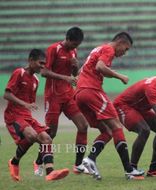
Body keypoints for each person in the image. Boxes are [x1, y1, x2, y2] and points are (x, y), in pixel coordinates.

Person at [74, 31, 144, 180]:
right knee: (117, 125)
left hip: (80, 94)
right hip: (91, 90)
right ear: (121, 42)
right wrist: (120, 77)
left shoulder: (97, 49)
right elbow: (100, 67)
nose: (124, 53)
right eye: (126, 49)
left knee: (107, 131)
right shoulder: (109, 49)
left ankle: (90, 159)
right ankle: (129, 169)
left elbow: (82, 71)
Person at [4, 49, 69, 181]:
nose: (43, 66)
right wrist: (25, 104)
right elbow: (7, 94)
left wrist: (28, 105)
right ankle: (15, 162)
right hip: (14, 115)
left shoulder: (36, 80)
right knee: (32, 136)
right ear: (31, 60)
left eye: (44, 64)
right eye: (40, 63)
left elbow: (30, 101)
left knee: (47, 138)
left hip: (26, 116)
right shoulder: (19, 73)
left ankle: (50, 172)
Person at [34, 26, 89, 176]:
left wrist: (75, 67)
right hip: (53, 96)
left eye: (77, 46)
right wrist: (65, 77)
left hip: (68, 95)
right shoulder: (53, 49)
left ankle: (78, 165)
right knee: (51, 134)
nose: (75, 47)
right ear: (68, 39)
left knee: (83, 126)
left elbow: (73, 74)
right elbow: (44, 72)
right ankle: (39, 162)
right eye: (74, 44)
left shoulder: (73, 51)